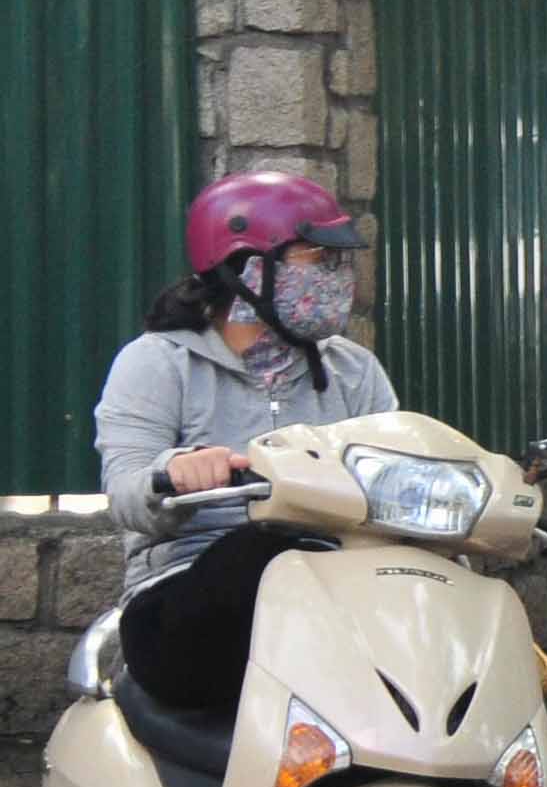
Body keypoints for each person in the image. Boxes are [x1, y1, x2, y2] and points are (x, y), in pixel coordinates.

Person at [95, 172, 397, 711]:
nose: (337, 277)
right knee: (268, 547)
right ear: (247, 270)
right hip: (181, 603)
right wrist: (175, 470)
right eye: (316, 259)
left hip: (331, 591)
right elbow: (124, 491)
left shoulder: (354, 370)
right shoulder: (156, 363)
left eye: (340, 263)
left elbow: (396, 466)